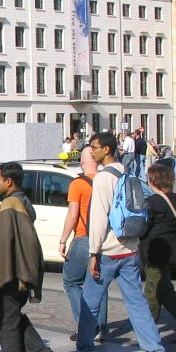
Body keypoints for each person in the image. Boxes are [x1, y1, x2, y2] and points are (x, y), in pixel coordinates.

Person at [63, 131, 171, 352]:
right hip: (130, 249)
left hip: (108, 252)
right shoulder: (126, 171)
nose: (91, 151)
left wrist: (93, 253)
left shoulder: (102, 179)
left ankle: (85, 351)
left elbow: (99, 219)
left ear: (107, 150)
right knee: (137, 303)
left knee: (89, 301)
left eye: (95, 147)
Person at [0, 162, 56, 352]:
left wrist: (0, 278)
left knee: (6, 323)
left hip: (10, 275)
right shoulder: (22, 201)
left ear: (8, 182)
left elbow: (5, 244)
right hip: (19, 273)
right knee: (14, 318)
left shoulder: (11, 205)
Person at [141, 164, 176, 344]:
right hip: (172, 253)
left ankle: (149, 334)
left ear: (153, 181)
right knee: (164, 290)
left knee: (154, 292)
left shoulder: (152, 203)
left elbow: (143, 228)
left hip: (155, 255)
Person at [58, 146, 107, 341]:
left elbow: (73, 215)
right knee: (98, 283)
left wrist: (63, 240)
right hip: (104, 239)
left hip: (84, 237)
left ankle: (87, 326)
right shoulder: (106, 181)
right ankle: (101, 329)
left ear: (83, 161)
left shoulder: (78, 184)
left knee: (71, 282)